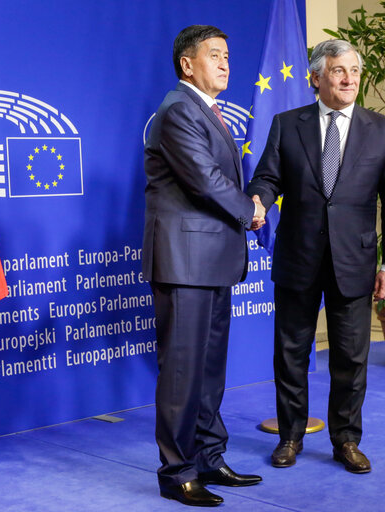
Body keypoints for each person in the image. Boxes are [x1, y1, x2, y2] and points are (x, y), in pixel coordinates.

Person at [247, 39, 385, 473]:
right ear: (316, 78)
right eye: (339, 71)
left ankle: (346, 440)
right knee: (291, 352)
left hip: (354, 262)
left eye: (355, 71)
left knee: (351, 357)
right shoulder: (287, 123)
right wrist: (258, 202)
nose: (349, 78)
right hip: (298, 257)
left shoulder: (384, 130)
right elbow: (266, 177)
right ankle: (290, 437)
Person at [142, 25, 265, 507]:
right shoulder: (177, 111)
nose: (225, 63)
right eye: (214, 55)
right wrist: (250, 209)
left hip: (213, 261)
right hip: (184, 262)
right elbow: (206, 181)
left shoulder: (206, 111)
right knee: (182, 371)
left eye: (228, 56)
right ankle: (177, 471)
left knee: (209, 370)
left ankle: (209, 458)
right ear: (187, 64)